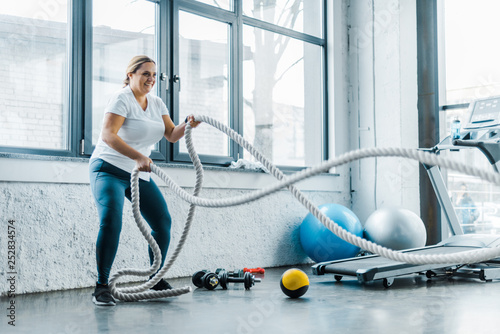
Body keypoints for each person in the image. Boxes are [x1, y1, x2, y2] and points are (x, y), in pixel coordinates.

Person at [89, 55, 200, 306]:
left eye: (153, 74)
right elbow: (108, 134)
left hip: (138, 172)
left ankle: (155, 278)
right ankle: (101, 286)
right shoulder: (122, 98)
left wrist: (189, 124)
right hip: (108, 168)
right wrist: (138, 156)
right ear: (130, 75)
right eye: (145, 74)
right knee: (111, 219)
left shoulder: (157, 103)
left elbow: (171, 135)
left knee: (162, 222)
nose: (151, 79)